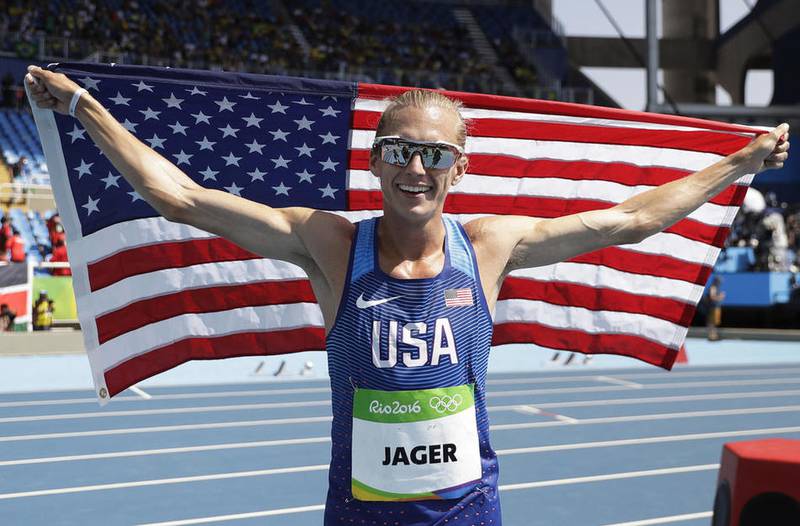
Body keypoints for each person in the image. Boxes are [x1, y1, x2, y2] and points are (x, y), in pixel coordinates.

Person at [25, 65, 790, 525]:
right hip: (359, 514)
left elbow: (629, 219)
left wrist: (737, 163)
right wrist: (83, 107)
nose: (414, 168)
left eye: (433, 154)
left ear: (457, 169)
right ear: (376, 162)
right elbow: (182, 198)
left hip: (466, 513)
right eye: (399, 151)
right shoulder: (329, 244)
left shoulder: (490, 247)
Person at [703, 276, 726, 341]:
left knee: (713, 323)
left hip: (714, 307)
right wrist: (720, 297)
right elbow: (712, 297)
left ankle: (714, 335)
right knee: (711, 323)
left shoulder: (715, 287)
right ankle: (711, 336)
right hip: (712, 307)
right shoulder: (713, 287)